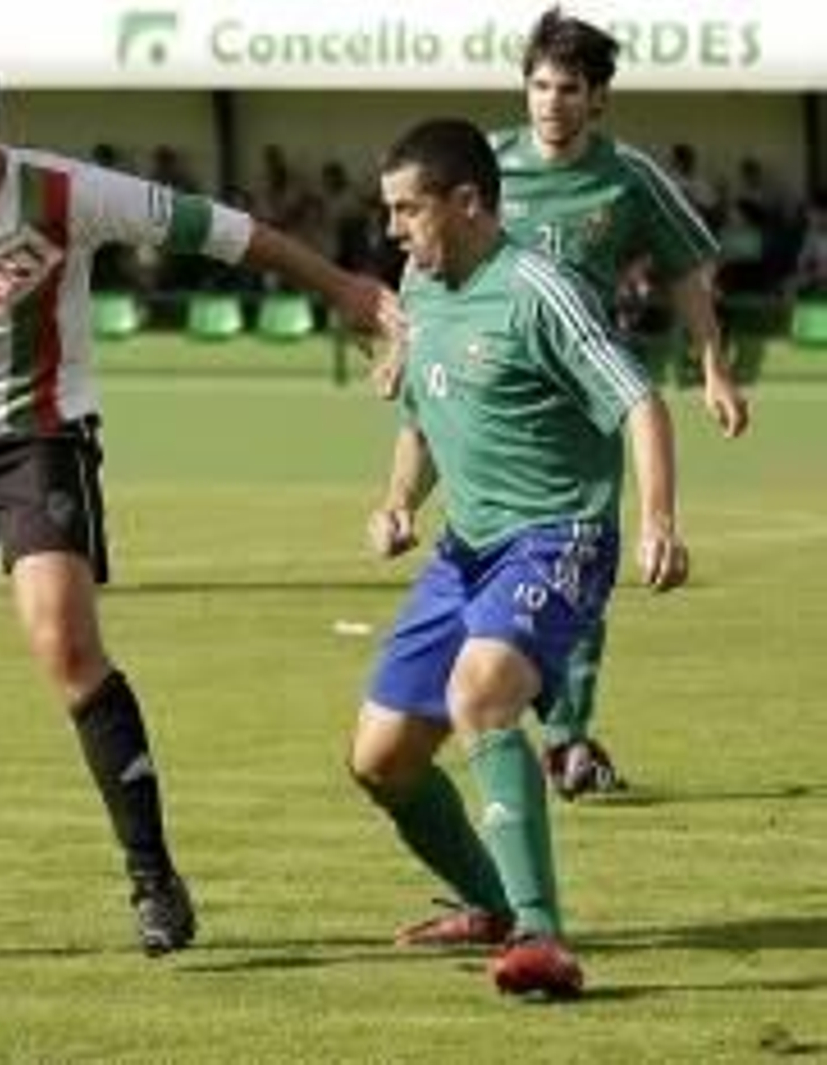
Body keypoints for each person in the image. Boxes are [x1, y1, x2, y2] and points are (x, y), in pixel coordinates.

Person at [0, 35, 401, 954]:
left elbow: (230, 232)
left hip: (37, 442)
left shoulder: (68, 194)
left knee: (64, 645)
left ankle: (154, 879)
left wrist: (347, 288)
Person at [351, 117, 688, 1000]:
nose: (393, 230)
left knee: (482, 691)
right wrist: (396, 501)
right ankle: (491, 904)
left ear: (466, 203)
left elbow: (638, 402)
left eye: (406, 209)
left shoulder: (541, 289)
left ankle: (542, 937)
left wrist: (656, 518)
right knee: (381, 758)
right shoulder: (421, 288)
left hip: (558, 533)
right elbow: (425, 416)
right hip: (467, 548)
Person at [375, 7, 746, 799]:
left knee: (571, 548)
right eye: (539, 85)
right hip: (492, 379)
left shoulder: (628, 177)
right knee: (515, 551)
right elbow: (430, 270)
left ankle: (568, 735)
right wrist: (402, 345)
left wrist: (712, 361)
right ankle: (534, 719)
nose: (550, 102)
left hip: (583, 389)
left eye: (569, 88)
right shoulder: (487, 167)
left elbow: (685, 268)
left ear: (598, 99)